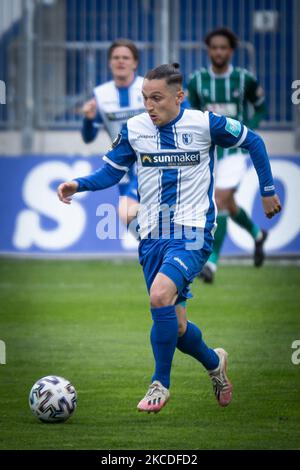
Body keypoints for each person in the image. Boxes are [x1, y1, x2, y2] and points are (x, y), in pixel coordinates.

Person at [58, 63, 281, 414]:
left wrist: (267, 190)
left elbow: (254, 140)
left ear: (179, 97)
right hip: (152, 236)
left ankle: (159, 384)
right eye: (145, 98)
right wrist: (79, 185)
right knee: (175, 326)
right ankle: (214, 364)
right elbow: (110, 172)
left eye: (157, 98)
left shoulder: (205, 123)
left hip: (193, 232)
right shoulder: (134, 129)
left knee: (159, 295)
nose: (149, 105)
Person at [188, 28, 268, 283]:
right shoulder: (197, 81)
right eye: (214, 47)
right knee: (227, 204)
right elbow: (191, 114)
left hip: (234, 152)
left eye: (223, 47)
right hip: (208, 152)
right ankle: (257, 234)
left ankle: (211, 263)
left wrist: (248, 131)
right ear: (209, 50)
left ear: (231, 51)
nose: (219, 52)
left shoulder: (245, 79)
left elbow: (261, 107)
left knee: (220, 199)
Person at [81, 39, 144, 231]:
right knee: (132, 219)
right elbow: (88, 137)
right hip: (123, 164)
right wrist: (88, 119)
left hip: (149, 159)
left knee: (128, 212)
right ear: (109, 63)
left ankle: (166, 253)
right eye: (116, 57)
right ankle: (160, 254)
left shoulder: (147, 87)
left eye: (126, 57)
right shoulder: (101, 94)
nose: (120, 61)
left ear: (135, 63)